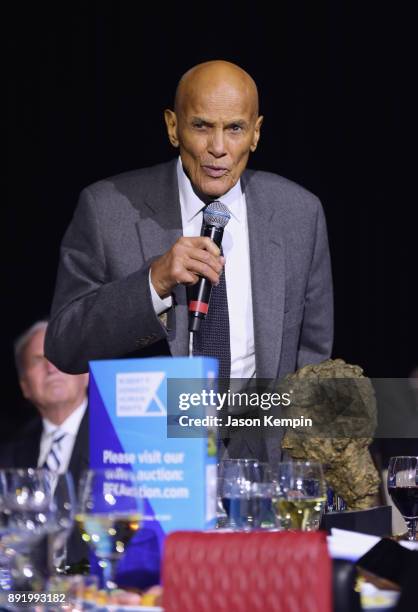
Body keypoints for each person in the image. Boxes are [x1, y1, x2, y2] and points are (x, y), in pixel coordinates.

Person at [45, 60, 333, 461]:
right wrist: (154, 282)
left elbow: (313, 357)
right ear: (172, 126)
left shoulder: (298, 213)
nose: (219, 148)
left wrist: (298, 467)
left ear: (256, 133)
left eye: (234, 128)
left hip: (264, 463)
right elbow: (63, 345)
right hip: (155, 459)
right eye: (201, 126)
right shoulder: (107, 209)